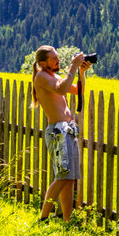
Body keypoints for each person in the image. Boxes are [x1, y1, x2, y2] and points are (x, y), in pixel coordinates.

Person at [31, 45, 91, 222]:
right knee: (63, 176)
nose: (58, 60)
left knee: (70, 179)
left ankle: (67, 221)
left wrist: (81, 73)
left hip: (67, 129)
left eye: (57, 57)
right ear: (43, 63)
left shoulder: (53, 76)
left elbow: (77, 90)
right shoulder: (41, 77)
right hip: (58, 131)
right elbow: (61, 90)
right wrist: (72, 67)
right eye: (54, 59)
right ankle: (43, 218)